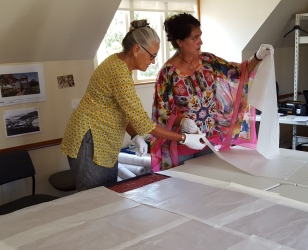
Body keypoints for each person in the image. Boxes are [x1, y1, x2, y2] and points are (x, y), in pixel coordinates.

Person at [60, 19, 206, 191]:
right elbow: (143, 121)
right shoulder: (119, 72)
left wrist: (134, 135)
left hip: (102, 139)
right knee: (95, 198)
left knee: (109, 193)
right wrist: (185, 138)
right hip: (91, 140)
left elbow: (123, 109)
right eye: (152, 56)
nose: (152, 62)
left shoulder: (120, 65)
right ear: (137, 49)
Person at [150, 13, 272, 171]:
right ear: (180, 42)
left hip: (208, 141)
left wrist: (257, 57)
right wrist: (183, 122)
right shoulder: (168, 74)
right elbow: (161, 113)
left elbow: (238, 72)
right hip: (183, 143)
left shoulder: (208, 62)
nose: (200, 42)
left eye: (200, 36)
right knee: (184, 188)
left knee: (209, 183)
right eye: (195, 38)